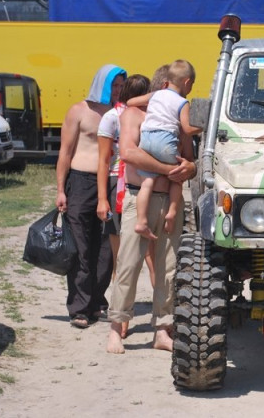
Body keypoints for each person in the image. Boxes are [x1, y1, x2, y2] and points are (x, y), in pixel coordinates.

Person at [106, 64, 197, 354]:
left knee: (169, 267)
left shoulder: (175, 118)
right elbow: (129, 153)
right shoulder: (132, 115)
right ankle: (116, 328)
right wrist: (167, 170)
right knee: (128, 264)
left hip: (170, 201)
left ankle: (162, 328)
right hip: (139, 198)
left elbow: (189, 158)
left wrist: (190, 168)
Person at [55, 64, 127, 329]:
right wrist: (60, 189)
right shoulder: (79, 111)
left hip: (110, 182)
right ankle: (79, 308)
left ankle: (97, 301)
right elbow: (65, 152)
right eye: (114, 85)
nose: (118, 90)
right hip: (81, 182)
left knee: (106, 248)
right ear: (102, 85)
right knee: (81, 246)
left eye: (121, 86)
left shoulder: (120, 112)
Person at [96, 73, 152, 338]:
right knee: (133, 258)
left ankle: (125, 320)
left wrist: (102, 198)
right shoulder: (114, 117)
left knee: (132, 258)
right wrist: (103, 198)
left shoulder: (144, 117)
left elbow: (103, 161)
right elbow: (104, 160)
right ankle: (133, 318)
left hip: (135, 187)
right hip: (126, 186)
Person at [129, 59, 202, 240]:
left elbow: (131, 101)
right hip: (166, 141)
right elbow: (187, 129)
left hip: (147, 139)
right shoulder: (183, 102)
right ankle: (172, 212)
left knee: (147, 182)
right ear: (187, 82)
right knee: (177, 177)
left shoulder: (156, 95)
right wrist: (203, 126)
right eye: (192, 84)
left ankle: (141, 221)